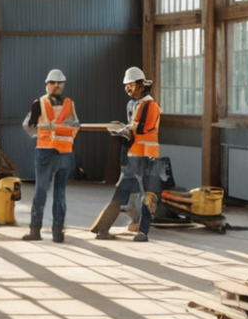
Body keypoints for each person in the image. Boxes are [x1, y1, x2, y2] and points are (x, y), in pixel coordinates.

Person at [95, 67, 161, 243]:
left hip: (146, 158)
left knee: (146, 194)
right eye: (126, 86)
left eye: (131, 85)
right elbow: (132, 128)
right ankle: (102, 228)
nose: (127, 89)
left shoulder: (151, 106)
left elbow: (140, 129)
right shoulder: (132, 104)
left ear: (141, 85)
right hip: (133, 156)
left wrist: (124, 131)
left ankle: (143, 232)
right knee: (121, 192)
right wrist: (122, 131)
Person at [21, 69, 80, 243]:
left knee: (58, 193)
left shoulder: (70, 104)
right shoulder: (39, 104)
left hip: (63, 153)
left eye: (59, 83)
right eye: (53, 83)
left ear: (63, 85)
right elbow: (28, 125)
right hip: (46, 151)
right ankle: (37, 230)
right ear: (47, 85)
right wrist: (39, 136)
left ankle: (55, 232)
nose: (56, 86)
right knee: (42, 191)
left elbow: (76, 126)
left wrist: (66, 139)